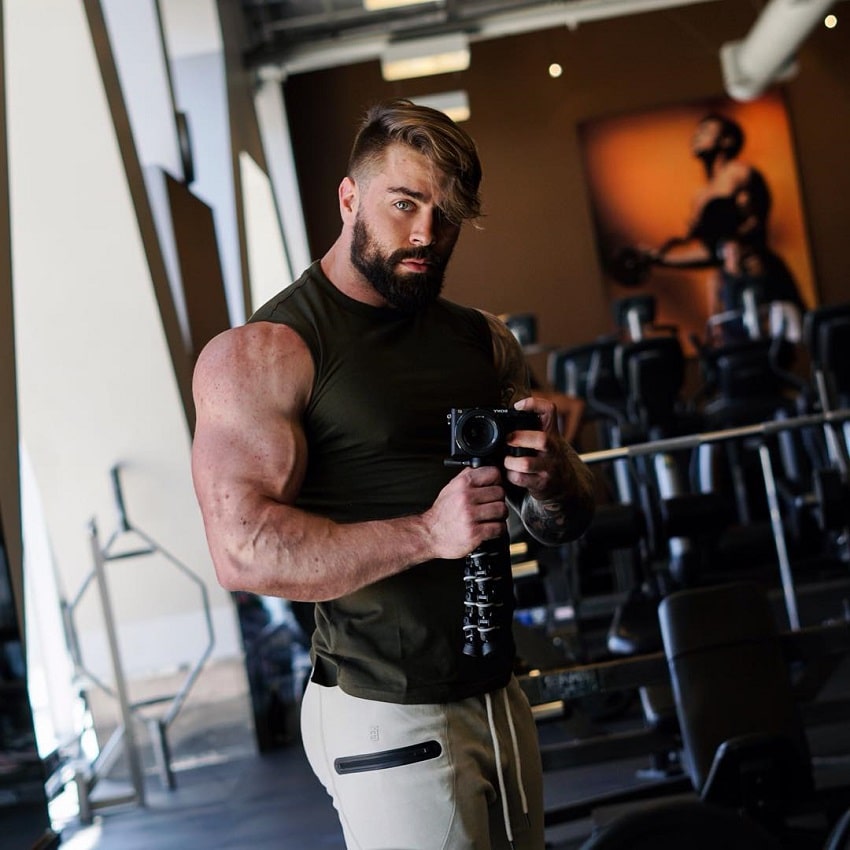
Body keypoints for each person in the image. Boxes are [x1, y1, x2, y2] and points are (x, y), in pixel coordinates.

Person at [191, 98, 595, 850]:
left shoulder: (482, 338)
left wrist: (549, 478)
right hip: (387, 704)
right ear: (350, 198)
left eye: (445, 217)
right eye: (404, 204)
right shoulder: (263, 353)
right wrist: (424, 533)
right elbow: (241, 551)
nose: (425, 235)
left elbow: (565, 521)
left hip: (499, 693)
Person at [621, 113, 804, 341]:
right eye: (697, 132)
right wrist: (660, 260)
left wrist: (734, 252)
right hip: (730, 285)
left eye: (706, 131)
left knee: (778, 346)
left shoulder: (740, 175)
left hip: (759, 280)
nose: (697, 136)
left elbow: (749, 231)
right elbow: (711, 253)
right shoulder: (700, 197)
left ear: (726, 141)